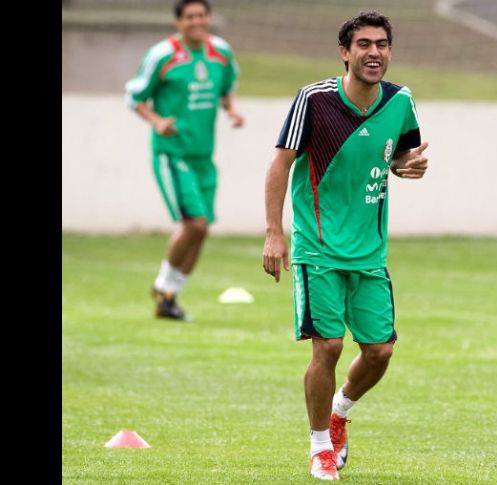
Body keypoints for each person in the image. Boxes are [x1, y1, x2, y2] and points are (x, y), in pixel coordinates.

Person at [262, 11, 428, 480]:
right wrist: (275, 232)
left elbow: (400, 155)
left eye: (382, 44)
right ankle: (319, 448)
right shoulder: (314, 100)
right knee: (329, 347)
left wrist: (406, 167)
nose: (374, 52)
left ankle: (339, 413)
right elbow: (279, 166)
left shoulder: (401, 101)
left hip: (370, 251)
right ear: (345, 52)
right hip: (318, 248)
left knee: (380, 352)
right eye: (364, 44)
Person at [125, 0, 244, 321]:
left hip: (204, 155)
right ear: (178, 22)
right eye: (190, 17)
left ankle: (168, 298)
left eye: (201, 15)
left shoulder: (221, 52)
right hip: (172, 153)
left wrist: (230, 109)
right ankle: (163, 285)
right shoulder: (162, 55)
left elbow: (226, 88)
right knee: (195, 223)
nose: (197, 21)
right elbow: (134, 96)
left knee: (201, 230)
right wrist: (157, 121)